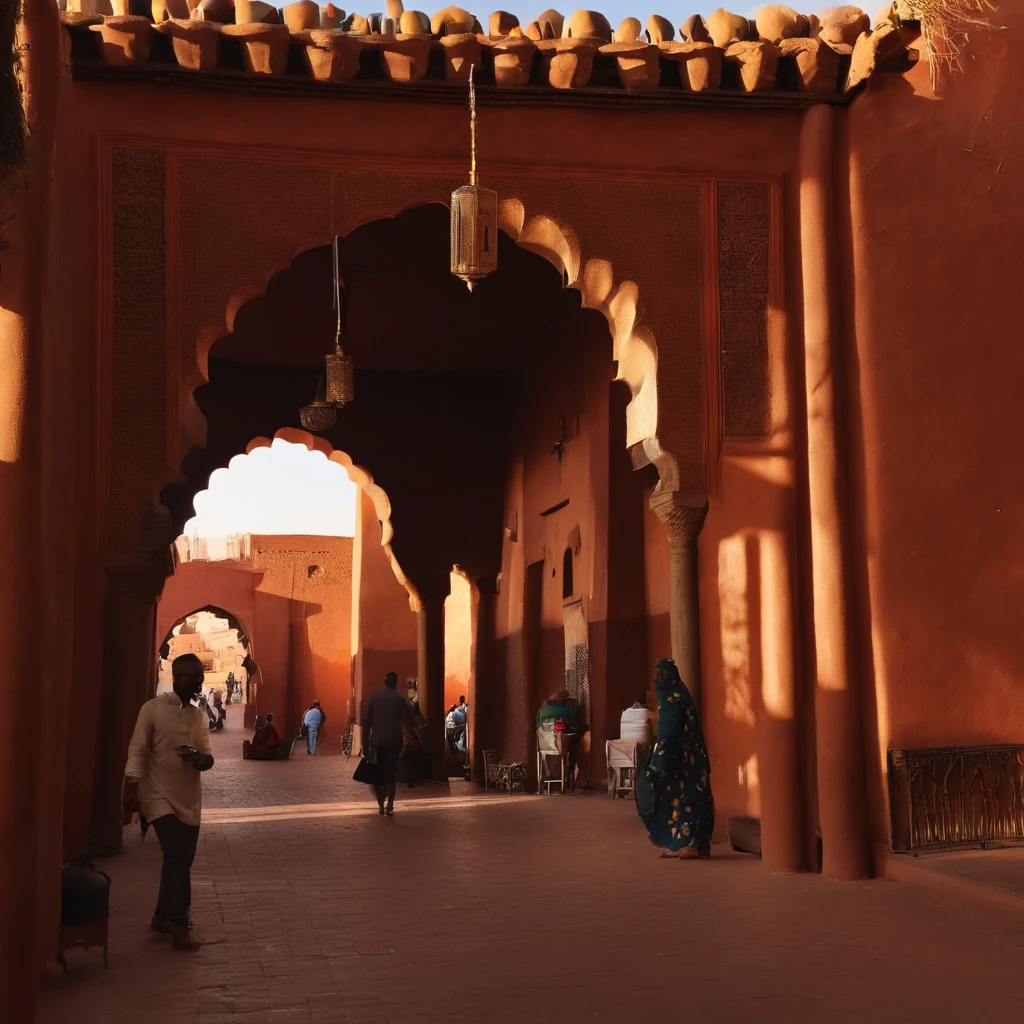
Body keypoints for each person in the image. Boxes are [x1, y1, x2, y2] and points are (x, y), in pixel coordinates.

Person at [122, 652, 214, 951]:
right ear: (175, 677)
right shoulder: (152, 710)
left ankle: (161, 915)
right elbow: (137, 749)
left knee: (181, 860)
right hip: (156, 793)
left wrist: (200, 759)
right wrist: (132, 786)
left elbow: (206, 754)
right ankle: (179, 925)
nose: (198, 681)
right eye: (192, 676)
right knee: (176, 856)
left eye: (201, 675)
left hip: (188, 796)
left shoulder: (199, 715)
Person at [635, 658, 714, 859]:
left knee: (688, 801)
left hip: (684, 763)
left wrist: (657, 763)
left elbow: (667, 735)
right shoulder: (680, 696)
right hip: (689, 762)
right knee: (682, 801)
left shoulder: (671, 701)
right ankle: (681, 842)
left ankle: (693, 844)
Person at [363, 671, 414, 816]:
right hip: (393, 742)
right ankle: (390, 804)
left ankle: (380, 803)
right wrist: (409, 738)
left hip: (377, 742)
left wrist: (365, 745)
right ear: (396, 683)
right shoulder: (399, 699)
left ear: (384, 682)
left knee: (378, 773)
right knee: (390, 773)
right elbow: (407, 720)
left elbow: (367, 723)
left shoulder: (374, 698)